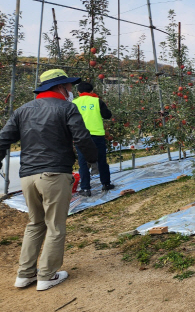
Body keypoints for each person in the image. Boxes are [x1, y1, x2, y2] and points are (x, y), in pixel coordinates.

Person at [0, 69, 98, 291]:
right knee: (55, 226)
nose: (71, 91)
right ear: (60, 87)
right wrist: (94, 160)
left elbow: (3, 139)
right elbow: (81, 137)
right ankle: (47, 275)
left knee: (35, 223)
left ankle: (25, 274)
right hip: (54, 173)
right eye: (69, 87)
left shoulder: (22, 110)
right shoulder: (66, 108)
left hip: (28, 176)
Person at [73, 81, 114, 196]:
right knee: (101, 160)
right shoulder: (97, 101)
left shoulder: (74, 103)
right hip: (97, 135)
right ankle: (106, 184)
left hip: (81, 136)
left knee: (83, 162)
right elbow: (107, 115)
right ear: (92, 91)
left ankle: (85, 188)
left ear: (78, 92)